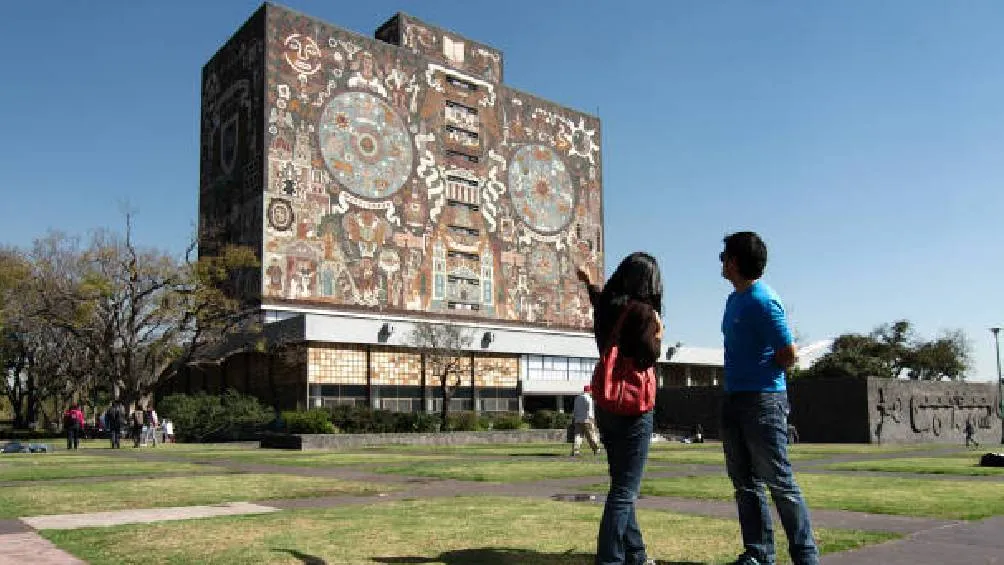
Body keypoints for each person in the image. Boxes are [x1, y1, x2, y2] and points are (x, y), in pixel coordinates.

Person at [719, 232, 818, 565]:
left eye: (723, 256)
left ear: (734, 262)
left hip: (763, 402)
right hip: (734, 398)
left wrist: (761, 372)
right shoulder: (734, 299)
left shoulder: (763, 300)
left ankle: (805, 556)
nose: (721, 262)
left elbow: (788, 353)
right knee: (744, 483)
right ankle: (759, 553)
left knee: (779, 482)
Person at [577, 252, 663, 565]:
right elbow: (647, 356)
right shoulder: (643, 312)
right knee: (625, 490)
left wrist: (589, 282)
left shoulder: (609, 307)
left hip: (607, 404)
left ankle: (635, 554)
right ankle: (610, 559)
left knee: (621, 484)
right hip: (634, 407)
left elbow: (598, 299)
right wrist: (658, 333)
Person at [571, 385, 601, 456]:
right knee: (591, 435)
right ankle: (597, 449)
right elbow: (590, 409)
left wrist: (574, 418)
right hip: (587, 419)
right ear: (589, 391)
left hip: (578, 420)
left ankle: (576, 451)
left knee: (578, 435)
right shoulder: (589, 398)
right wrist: (592, 419)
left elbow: (575, 410)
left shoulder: (577, 398)